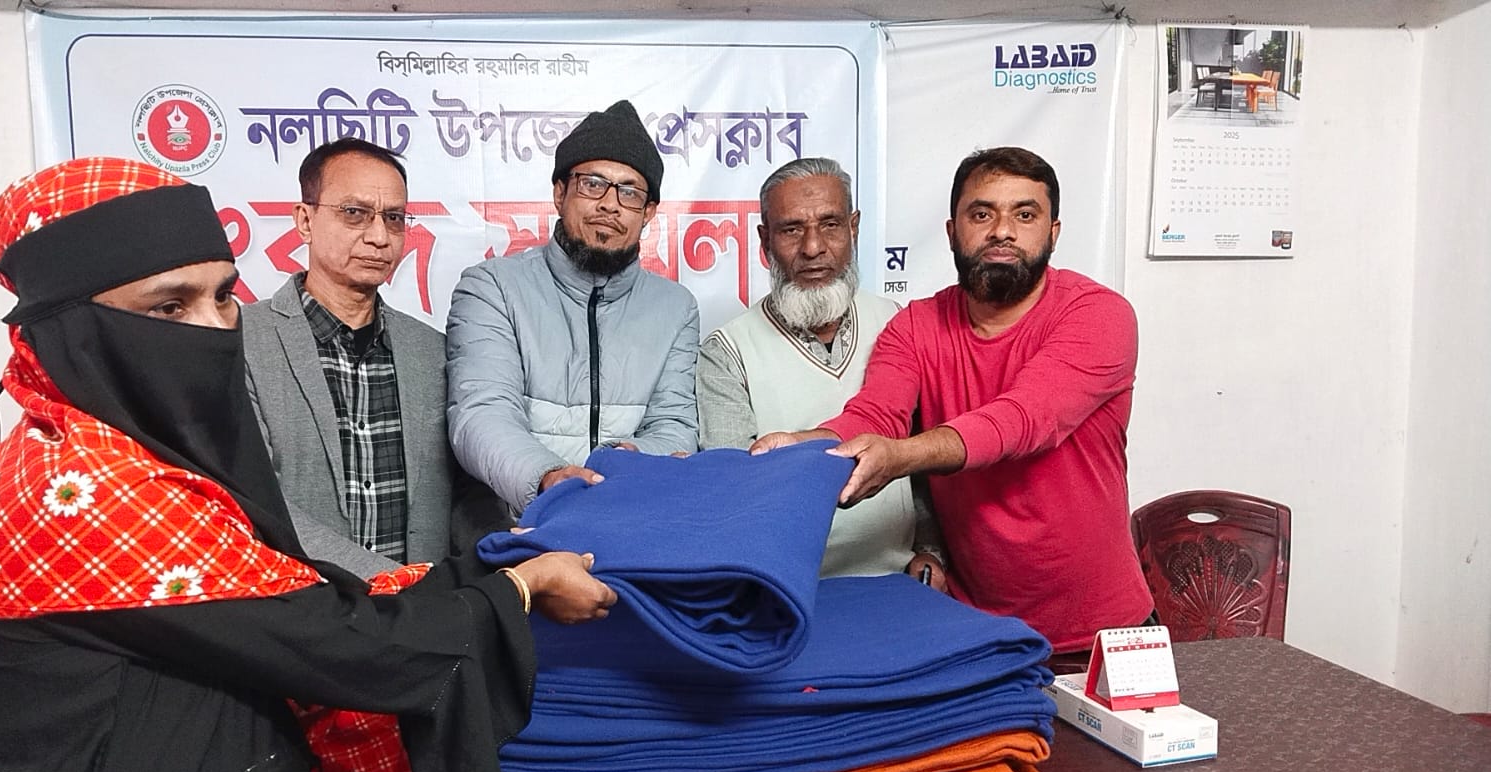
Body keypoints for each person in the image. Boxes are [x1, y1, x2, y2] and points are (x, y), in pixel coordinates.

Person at [0, 157, 616, 772]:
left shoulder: (126, 454)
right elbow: (329, 638)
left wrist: (489, 567)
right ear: (74, 329)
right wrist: (517, 588)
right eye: (169, 308)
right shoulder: (77, 491)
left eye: (223, 296)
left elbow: (275, 597)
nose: (212, 330)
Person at [753, 147, 1152, 652]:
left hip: (1104, 633)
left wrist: (901, 456)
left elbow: (1022, 421)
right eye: (981, 214)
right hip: (973, 626)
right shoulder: (914, 325)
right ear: (951, 231)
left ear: (1053, 233)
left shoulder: (1099, 315)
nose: (1002, 231)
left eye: (1024, 215)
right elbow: (875, 414)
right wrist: (805, 443)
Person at [243, 138, 499, 578]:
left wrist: (494, 574)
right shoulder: (244, 342)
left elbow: (468, 497)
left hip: (426, 610)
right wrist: (394, 583)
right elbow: (256, 502)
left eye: (394, 218)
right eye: (354, 213)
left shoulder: (433, 352)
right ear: (304, 220)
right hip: (303, 607)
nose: (379, 237)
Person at [698, 157, 946, 583]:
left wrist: (930, 551)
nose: (813, 247)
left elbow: (923, 458)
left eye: (830, 225)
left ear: (854, 228)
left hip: (898, 580)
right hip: (786, 585)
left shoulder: (897, 322)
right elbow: (736, 498)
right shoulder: (727, 351)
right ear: (765, 240)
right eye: (792, 230)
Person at [447, 99, 699, 515]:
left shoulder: (675, 308)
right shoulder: (493, 287)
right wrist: (548, 478)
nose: (610, 205)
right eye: (593, 184)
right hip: (519, 528)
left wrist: (630, 462)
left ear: (648, 213)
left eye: (630, 192)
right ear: (560, 193)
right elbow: (482, 414)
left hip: (629, 517)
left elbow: (675, 425)